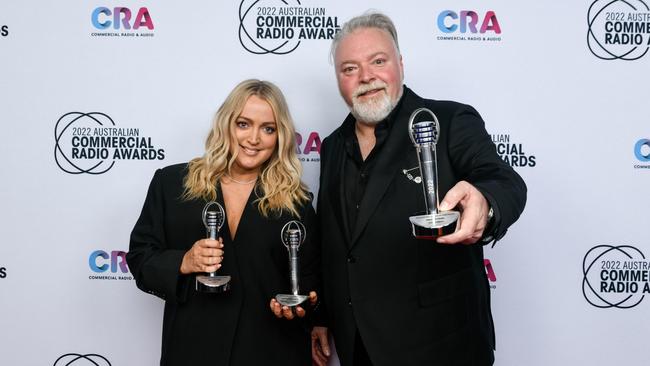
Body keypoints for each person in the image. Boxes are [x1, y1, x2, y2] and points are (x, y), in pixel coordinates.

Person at [311, 12, 527, 366]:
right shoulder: (333, 145)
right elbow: (332, 241)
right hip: (358, 344)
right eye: (349, 69)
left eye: (378, 61)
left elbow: (504, 181)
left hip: (440, 343)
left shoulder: (450, 120)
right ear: (339, 80)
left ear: (401, 64)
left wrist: (485, 204)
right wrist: (320, 316)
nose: (366, 77)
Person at [127, 79, 320, 366]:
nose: (254, 139)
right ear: (226, 124)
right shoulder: (171, 184)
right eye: (243, 124)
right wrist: (184, 261)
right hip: (194, 350)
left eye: (268, 129)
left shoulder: (296, 202)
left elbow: (311, 277)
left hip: (271, 350)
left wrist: (301, 307)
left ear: (280, 137)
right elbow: (140, 258)